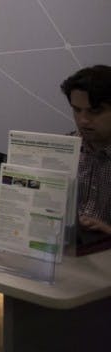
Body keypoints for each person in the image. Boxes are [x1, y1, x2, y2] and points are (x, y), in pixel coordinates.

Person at [60, 65, 111, 236]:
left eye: (95, 111)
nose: (83, 120)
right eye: (76, 110)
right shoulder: (64, 149)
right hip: (69, 250)